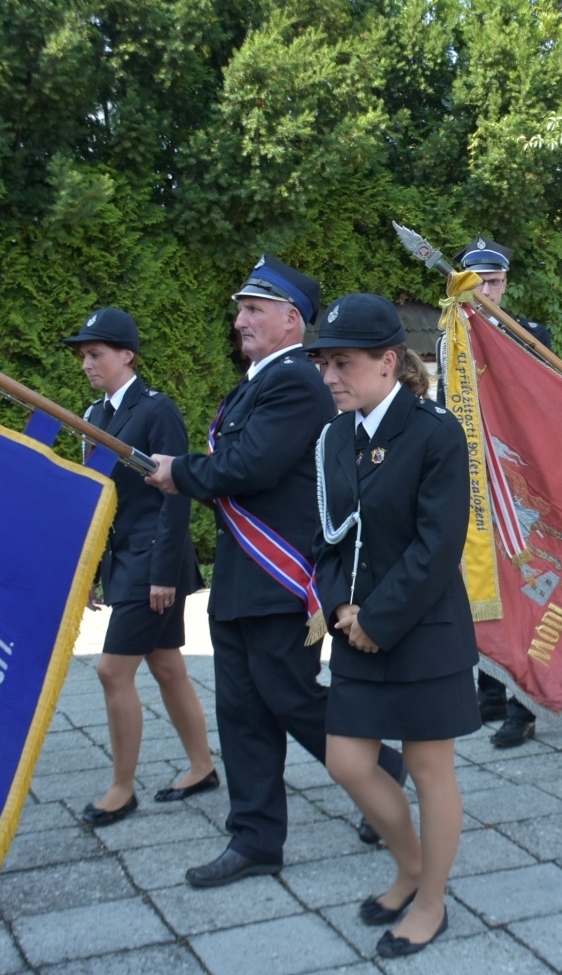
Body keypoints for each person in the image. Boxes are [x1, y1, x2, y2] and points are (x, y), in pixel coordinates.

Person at [145, 255, 405, 888]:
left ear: (293, 319)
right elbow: (236, 466)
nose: (240, 321)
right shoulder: (258, 381)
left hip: (279, 576)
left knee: (288, 698)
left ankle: (382, 775)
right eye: (241, 310)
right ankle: (256, 839)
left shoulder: (297, 382)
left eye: (253, 309)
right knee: (241, 710)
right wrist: (191, 472)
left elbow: (250, 465)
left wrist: (180, 472)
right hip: (242, 574)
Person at [310, 293, 477, 958]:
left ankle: (432, 901)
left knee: (431, 769)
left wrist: (377, 617)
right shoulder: (334, 437)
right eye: (324, 363)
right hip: (355, 629)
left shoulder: (435, 433)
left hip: (422, 627)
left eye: (342, 363)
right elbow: (324, 539)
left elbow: (437, 546)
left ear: (387, 362)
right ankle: (409, 865)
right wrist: (339, 610)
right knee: (345, 759)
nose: (329, 377)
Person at [64, 308, 215, 827]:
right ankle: (202, 767)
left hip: (151, 562)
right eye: (84, 355)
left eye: (96, 353)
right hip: (120, 558)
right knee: (168, 665)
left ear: (126, 354)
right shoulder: (95, 413)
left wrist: (162, 572)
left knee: (111, 670)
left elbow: (176, 497)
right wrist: (87, 570)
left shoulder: (157, 410)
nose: (87, 363)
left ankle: (121, 789)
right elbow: (97, 496)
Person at [457, 236, 548, 748]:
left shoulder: (529, 336)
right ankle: (488, 689)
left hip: (518, 484)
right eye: (475, 282)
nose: (484, 290)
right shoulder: (452, 338)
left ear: (505, 284)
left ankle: (523, 703)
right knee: (479, 586)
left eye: (492, 281)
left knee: (524, 592)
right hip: (472, 483)